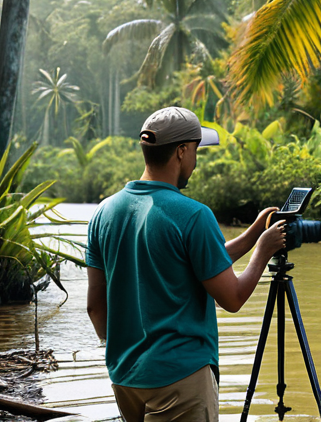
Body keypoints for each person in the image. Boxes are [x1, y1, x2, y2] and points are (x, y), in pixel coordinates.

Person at [86, 107, 286, 422]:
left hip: (125, 378)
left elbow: (96, 307)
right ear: (181, 152)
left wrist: (251, 236)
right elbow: (232, 297)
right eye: (195, 151)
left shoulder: (104, 212)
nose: (195, 160)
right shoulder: (194, 214)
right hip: (181, 377)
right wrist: (263, 250)